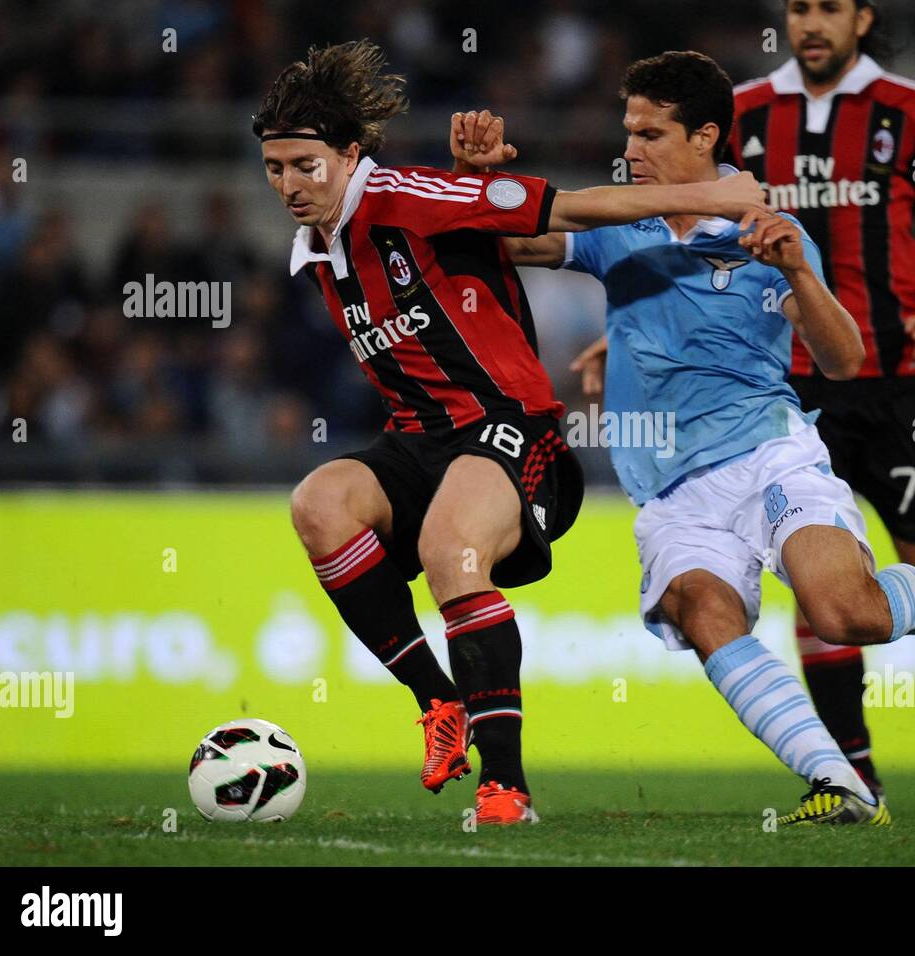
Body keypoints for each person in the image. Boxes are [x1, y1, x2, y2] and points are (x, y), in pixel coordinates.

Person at [484, 51, 915, 825]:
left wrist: (800, 275)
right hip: (668, 491)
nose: (631, 148)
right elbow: (506, 244)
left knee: (842, 613)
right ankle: (841, 783)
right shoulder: (614, 229)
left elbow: (843, 357)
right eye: (628, 130)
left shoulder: (771, 233)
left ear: (705, 138)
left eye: (650, 132)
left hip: (770, 454)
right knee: (703, 610)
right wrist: (477, 177)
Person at [255, 40, 768, 825]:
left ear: (350, 155)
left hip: (510, 430)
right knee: (318, 502)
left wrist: (717, 196)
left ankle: (506, 789)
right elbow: (478, 256)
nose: (290, 184)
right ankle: (439, 703)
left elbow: (566, 210)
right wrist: (479, 182)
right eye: (276, 168)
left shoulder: (403, 195)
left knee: (450, 550)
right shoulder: (320, 248)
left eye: (305, 165)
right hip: (419, 441)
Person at [728, 0, 915, 798]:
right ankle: (852, 768)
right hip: (790, 388)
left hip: (894, 385)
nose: (810, 23)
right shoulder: (744, 111)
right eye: (798, 8)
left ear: (862, 17)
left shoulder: (914, 111)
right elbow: (684, 228)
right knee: (817, 580)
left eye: (828, 9)